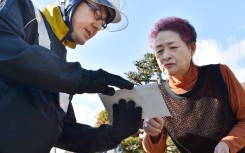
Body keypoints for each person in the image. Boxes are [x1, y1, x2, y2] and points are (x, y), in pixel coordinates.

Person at [0, 0, 142, 152]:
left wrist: (111, 135)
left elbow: (62, 132)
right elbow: (5, 47)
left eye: (103, 23)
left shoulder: (62, 64)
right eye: (97, 12)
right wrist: (82, 78)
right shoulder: (21, 8)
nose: (98, 26)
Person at [142, 16, 245, 153]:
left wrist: (228, 144)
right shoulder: (158, 96)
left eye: (173, 47)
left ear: (192, 49)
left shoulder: (220, 73)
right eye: (159, 50)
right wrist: (153, 134)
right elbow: (155, 151)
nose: (165, 56)